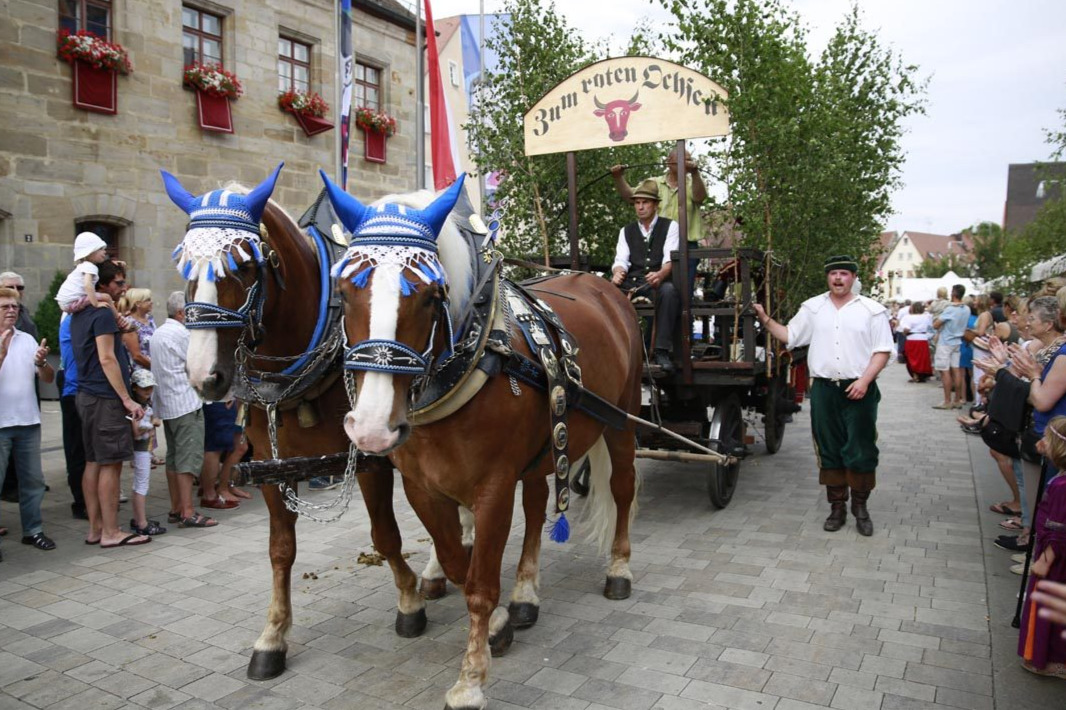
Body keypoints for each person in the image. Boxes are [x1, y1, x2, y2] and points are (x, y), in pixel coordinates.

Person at [754, 255, 893, 536]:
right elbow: (790, 335)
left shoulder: (872, 311)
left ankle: (860, 508)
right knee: (828, 445)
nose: (838, 278)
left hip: (859, 388)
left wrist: (865, 381)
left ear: (853, 277)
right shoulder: (813, 308)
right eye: (833, 273)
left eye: (844, 273)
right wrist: (765, 319)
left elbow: (882, 350)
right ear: (827, 277)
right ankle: (837, 507)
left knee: (861, 447)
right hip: (824, 389)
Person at [71, 260, 149, 548]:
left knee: (93, 461)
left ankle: (96, 529)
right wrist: (126, 399)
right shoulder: (102, 313)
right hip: (105, 397)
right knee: (111, 464)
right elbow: (107, 358)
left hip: (87, 395)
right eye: (118, 282)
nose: (124, 287)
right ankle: (111, 532)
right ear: (100, 285)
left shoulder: (78, 312)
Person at [151, 291, 216, 529]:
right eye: (191, 311)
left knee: (174, 458)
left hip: (168, 403)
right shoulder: (182, 334)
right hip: (185, 402)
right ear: (181, 313)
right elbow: (200, 365)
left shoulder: (158, 333)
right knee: (187, 459)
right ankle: (188, 512)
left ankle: (176, 507)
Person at [0, 286, 57, 561]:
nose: (12, 311)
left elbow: (48, 379)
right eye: (5, 307)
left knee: (33, 481)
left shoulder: (27, 339)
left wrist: (43, 363)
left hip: (28, 421)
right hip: (1, 424)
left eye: (15, 306)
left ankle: (32, 530)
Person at [611, 147, 707, 297]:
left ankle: (683, 312)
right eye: (683, 160)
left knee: (684, 293)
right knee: (656, 287)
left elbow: (700, 197)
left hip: (686, 245)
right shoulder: (654, 183)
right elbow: (631, 197)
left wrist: (695, 173)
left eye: (689, 160)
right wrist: (618, 178)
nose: (688, 163)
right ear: (669, 162)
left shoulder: (694, 183)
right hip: (657, 245)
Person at [610, 179, 681, 372]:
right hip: (632, 282)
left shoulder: (670, 226)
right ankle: (614, 349)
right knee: (605, 293)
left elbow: (669, 259)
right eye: (637, 203)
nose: (640, 207)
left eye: (645, 202)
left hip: (657, 282)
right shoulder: (626, 231)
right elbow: (621, 260)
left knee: (669, 292)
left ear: (655, 205)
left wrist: (661, 274)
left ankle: (661, 351)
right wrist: (618, 273)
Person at [1018, 415, 1066, 678]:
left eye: (1047, 438)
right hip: (1052, 553)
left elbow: (1059, 530)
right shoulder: (1061, 479)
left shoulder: (1062, 487)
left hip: (1055, 561)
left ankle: (1053, 659)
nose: (1042, 441)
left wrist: (1045, 560)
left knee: (1049, 607)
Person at [127, 368, 165, 536]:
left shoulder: (145, 404)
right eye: (144, 388)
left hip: (145, 450)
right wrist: (151, 425)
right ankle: (141, 523)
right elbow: (136, 432)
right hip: (140, 450)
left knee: (140, 485)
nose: (148, 391)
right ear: (135, 388)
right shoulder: (135, 408)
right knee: (141, 485)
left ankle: (139, 519)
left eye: (150, 387)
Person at [58, 314, 88, 519]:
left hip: (84, 390)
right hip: (75, 391)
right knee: (77, 449)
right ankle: (81, 502)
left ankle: (91, 500)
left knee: (88, 452)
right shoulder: (74, 320)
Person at [55, 232, 124, 321]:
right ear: (90, 252)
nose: (104, 251)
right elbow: (87, 285)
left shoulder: (84, 265)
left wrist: (112, 263)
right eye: (100, 249)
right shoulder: (90, 267)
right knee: (106, 297)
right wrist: (96, 303)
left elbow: (100, 265)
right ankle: (118, 318)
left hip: (66, 303)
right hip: (72, 302)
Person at [932, 284, 969, 409]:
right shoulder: (966, 309)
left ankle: (947, 401)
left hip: (946, 341)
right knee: (956, 370)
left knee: (944, 371)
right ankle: (957, 399)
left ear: (953, 293)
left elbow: (936, 325)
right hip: (958, 341)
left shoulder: (950, 309)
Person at [119, 287, 155, 371]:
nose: (151, 302)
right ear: (138, 304)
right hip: (142, 371)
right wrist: (156, 368)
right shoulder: (129, 324)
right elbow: (136, 356)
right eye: (148, 300)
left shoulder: (149, 319)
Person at [898, 302, 934, 382]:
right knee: (922, 358)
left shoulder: (908, 317)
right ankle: (923, 375)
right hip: (923, 338)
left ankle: (915, 375)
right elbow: (931, 327)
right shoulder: (927, 317)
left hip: (912, 339)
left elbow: (906, 328)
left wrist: (904, 332)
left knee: (912, 358)